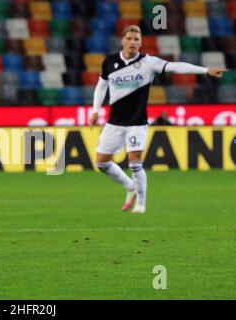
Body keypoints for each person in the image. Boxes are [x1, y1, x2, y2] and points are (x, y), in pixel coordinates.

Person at [89, 25, 226, 214]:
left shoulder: (149, 62)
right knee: (101, 163)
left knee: (135, 162)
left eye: (136, 39)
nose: (132, 42)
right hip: (115, 122)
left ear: (141, 42)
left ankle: (141, 203)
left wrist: (205, 70)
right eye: (129, 38)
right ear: (123, 41)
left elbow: (176, 67)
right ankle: (130, 187)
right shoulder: (110, 62)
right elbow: (101, 86)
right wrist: (95, 110)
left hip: (137, 122)